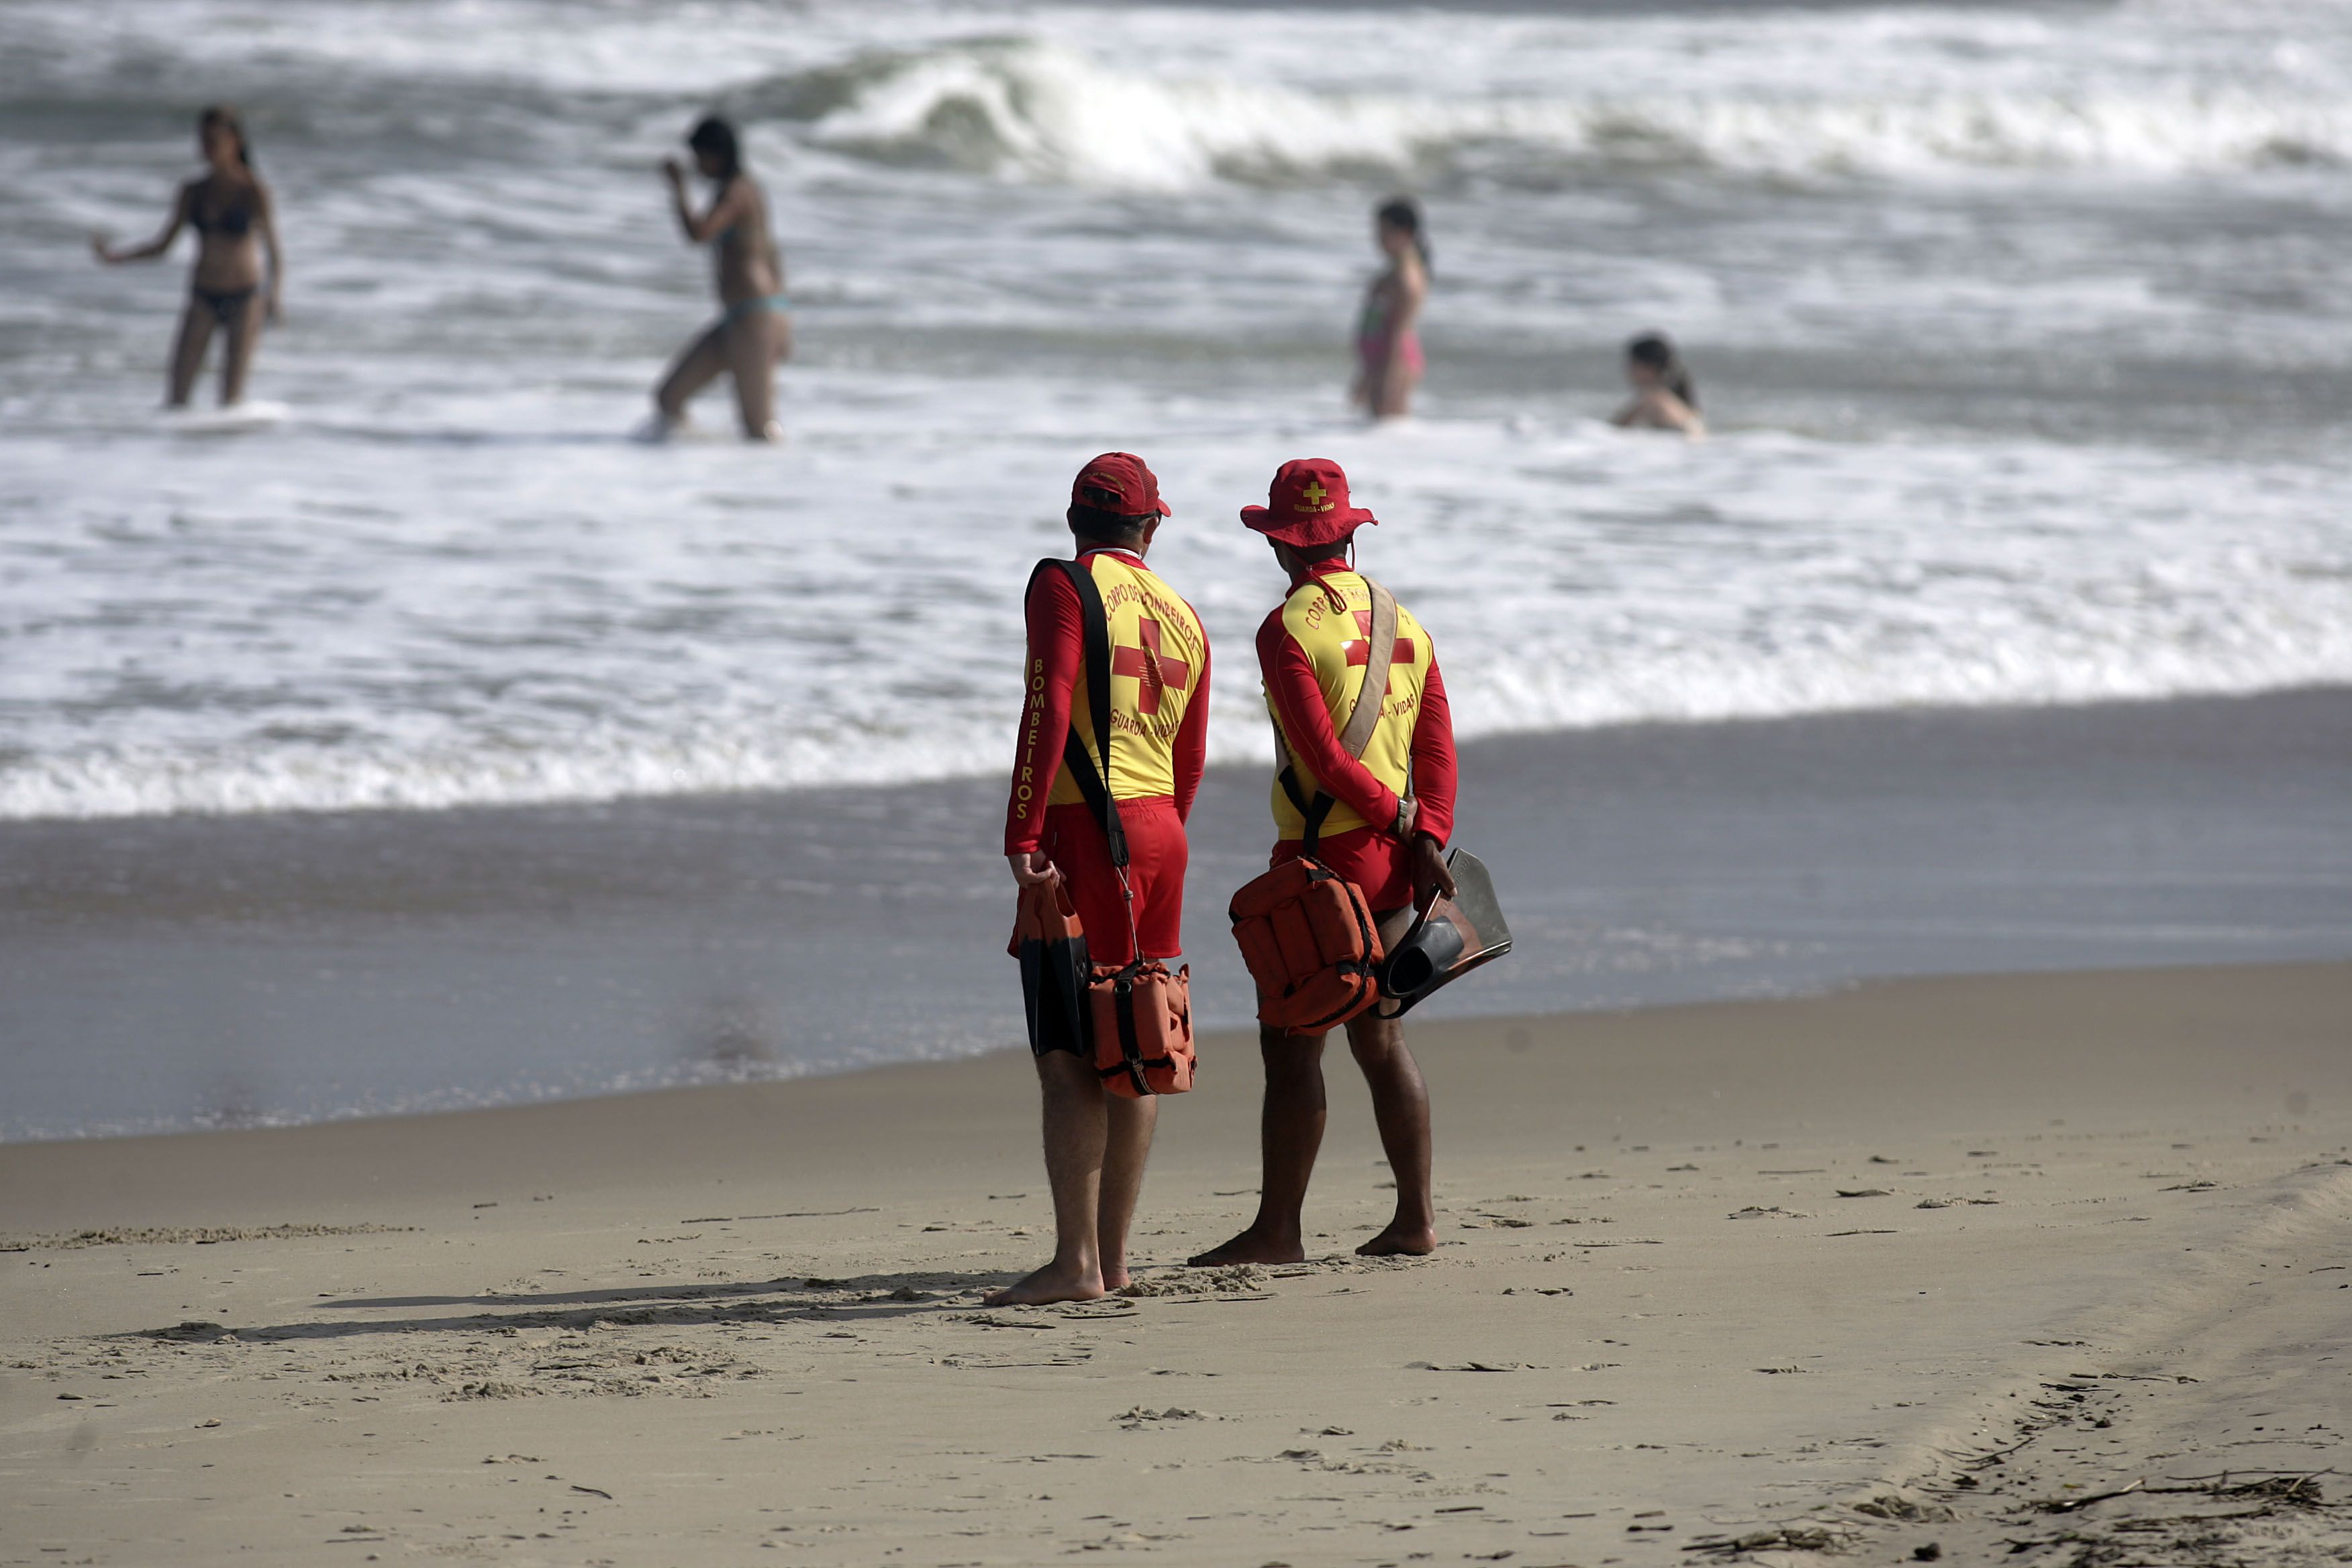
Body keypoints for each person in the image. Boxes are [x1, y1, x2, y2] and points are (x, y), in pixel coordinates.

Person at [1191, 458, 1458, 1267]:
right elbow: (1437, 748)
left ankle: (1279, 1232)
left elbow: (1325, 760)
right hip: (1398, 864)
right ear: (1348, 531)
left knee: (1291, 1045)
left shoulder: (1285, 629)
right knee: (1381, 1040)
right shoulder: (1406, 622)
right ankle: (1414, 1219)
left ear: (1281, 546)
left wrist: (1397, 817)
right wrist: (1425, 835)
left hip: (1323, 862)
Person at [999, 452, 1212, 1305]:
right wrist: (1163, 837)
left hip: (1090, 832)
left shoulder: (1061, 582)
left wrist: (1022, 828)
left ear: (1074, 519)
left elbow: (1048, 703)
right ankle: (1113, 1258)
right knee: (1136, 1044)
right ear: (1152, 525)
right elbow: (1191, 754)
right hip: (1159, 827)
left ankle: (1076, 1263)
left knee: (1066, 1054)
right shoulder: (1185, 612)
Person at [91, 105, 283, 409]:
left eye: (213, 140)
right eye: (203, 140)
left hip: (245, 298)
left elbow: (274, 252)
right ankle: (174, 453)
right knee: (176, 398)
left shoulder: (253, 191)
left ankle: (225, 457)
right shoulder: (194, 191)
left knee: (231, 401)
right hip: (203, 295)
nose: (206, 148)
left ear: (235, 141)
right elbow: (162, 246)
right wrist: (117, 257)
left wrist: (274, 296)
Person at [653, 116, 790, 441]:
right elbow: (773, 255)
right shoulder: (745, 191)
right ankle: (694, 467)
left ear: (716, 154)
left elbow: (699, 233)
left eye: (699, 157)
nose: (696, 166)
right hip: (740, 318)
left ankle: (783, 481)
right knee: (668, 398)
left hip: (756, 315)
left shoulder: (737, 192)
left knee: (757, 426)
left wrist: (678, 189)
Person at [1352, 198, 1429, 422]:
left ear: (1404, 232)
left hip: (1394, 362)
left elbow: (1400, 331)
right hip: (1381, 362)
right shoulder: (1395, 271)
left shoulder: (1406, 277)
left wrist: (1388, 378)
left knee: (1388, 426)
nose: (1377, 239)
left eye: (1383, 231)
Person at [1611, 331, 1704, 437]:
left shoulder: (1652, 400)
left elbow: (1614, 431)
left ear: (1650, 368)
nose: (1628, 370)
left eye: (1633, 364)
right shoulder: (1673, 400)